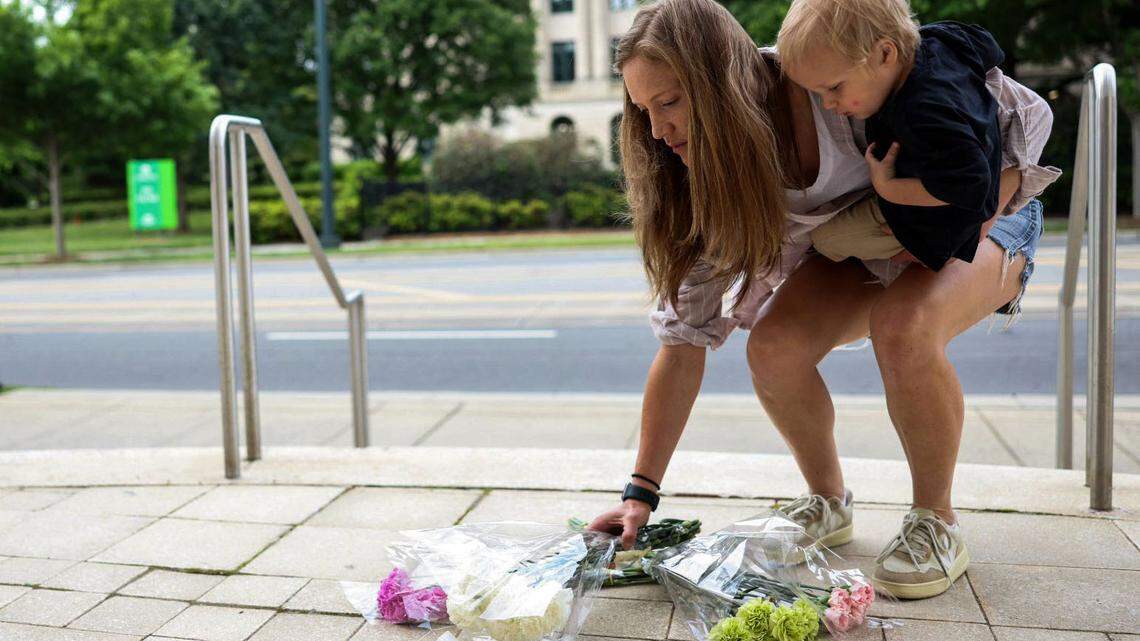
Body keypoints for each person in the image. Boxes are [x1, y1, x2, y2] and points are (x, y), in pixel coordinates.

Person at [586, 0, 1059, 600]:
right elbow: (682, 342)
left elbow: (1019, 115)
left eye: (671, 102)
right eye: (644, 109)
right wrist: (640, 495)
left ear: (720, 81)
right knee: (774, 348)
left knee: (903, 324)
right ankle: (828, 503)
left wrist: (966, 218)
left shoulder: (827, 73)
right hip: (862, 240)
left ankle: (935, 522)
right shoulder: (700, 175)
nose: (656, 130)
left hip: (990, 212)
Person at [781, 1, 1006, 272]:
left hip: (946, 222)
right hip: (961, 186)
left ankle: (914, 254)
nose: (828, 103)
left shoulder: (921, 111)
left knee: (826, 241)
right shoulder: (942, 38)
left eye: (834, 88)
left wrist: (889, 188)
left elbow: (971, 186)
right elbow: (990, 46)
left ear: (886, 54)